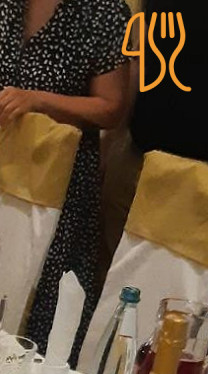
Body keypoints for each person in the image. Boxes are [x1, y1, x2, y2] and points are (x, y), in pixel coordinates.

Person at [0, 0, 131, 355]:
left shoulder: (103, 10)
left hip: (61, 181)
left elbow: (111, 107)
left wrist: (38, 100)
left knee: (41, 301)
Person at [100, 0, 208, 282]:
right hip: (139, 159)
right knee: (115, 282)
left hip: (200, 182)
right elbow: (140, 61)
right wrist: (110, 141)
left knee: (186, 292)